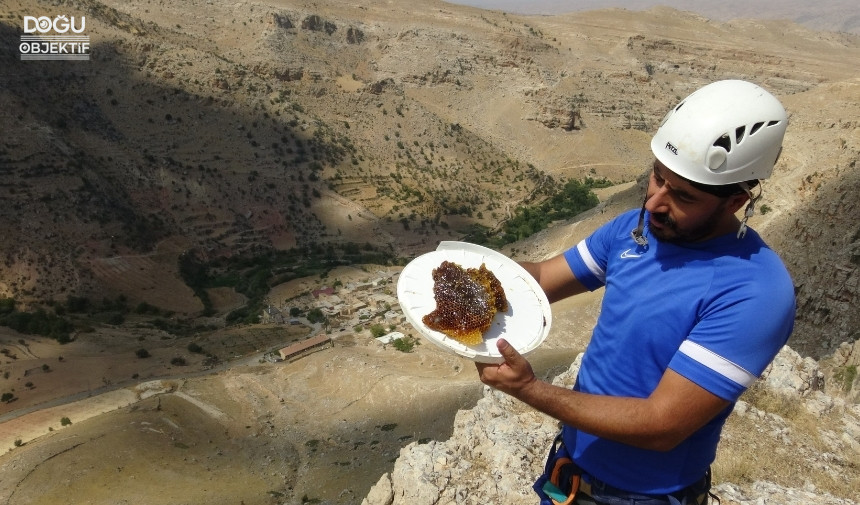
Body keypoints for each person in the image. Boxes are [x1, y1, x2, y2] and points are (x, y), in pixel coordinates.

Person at [475, 80, 796, 505]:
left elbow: (663, 426)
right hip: (570, 474)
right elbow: (541, 281)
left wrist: (530, 390)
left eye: (681, 195)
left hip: (641, 496)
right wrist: (470, 272)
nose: (655, 203)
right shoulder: (634, 229)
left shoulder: (756, 293)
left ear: (735, 202)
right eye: (657, 178)